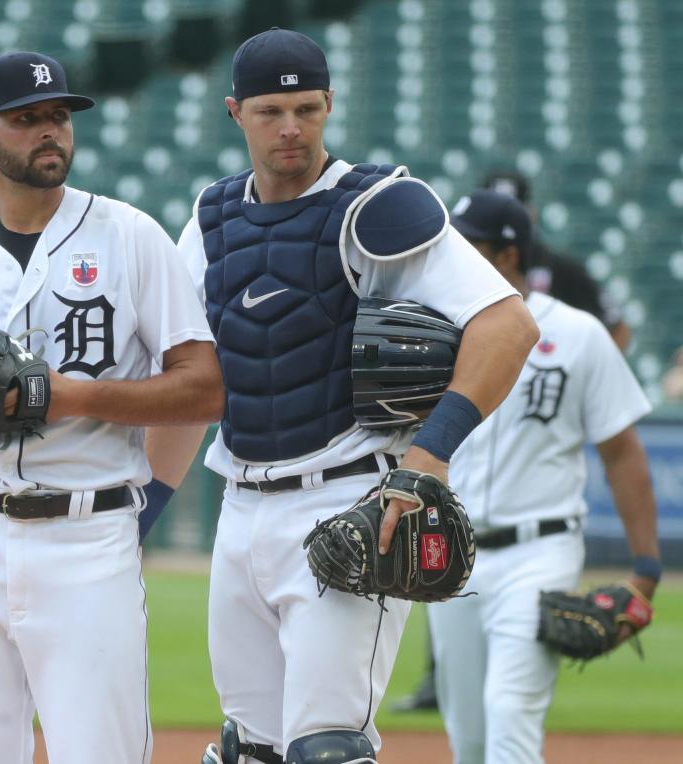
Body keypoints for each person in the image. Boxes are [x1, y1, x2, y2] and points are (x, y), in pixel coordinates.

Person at [169, 28, 539, 763]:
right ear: (234, 111)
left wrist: (431, 453)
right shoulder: (213, 219)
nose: (291, 127)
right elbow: (194, 377)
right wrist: (144, 504)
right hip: (239, 506)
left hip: (348, 502)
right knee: (252, 751)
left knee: (328, 749)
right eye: (272, 110)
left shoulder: (377, 206)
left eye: (308, 108)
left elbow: (507, 325)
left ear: (330, 104)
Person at [0, 50, 223, 764]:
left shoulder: (131, 238)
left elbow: (204, 388)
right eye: (26, 120)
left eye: (58, 115)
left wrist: (61, 394)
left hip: (85, 539)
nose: (50, 131)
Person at [428, 189, 661, 764]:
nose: (451, 253)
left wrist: (647, 567)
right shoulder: (434, 330)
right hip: (451, 556)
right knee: (471, 738)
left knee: (511, 714)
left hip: (541, 548)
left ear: (507, 256)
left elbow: (622, 453)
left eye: (468, 243)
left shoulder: (579, 335)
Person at [482, 169, 632, 351]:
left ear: (531, 213)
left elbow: (618, 328)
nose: (503, 222)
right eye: (495, 213)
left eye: (512, 211)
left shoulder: (561, 268)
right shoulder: (466, 269)